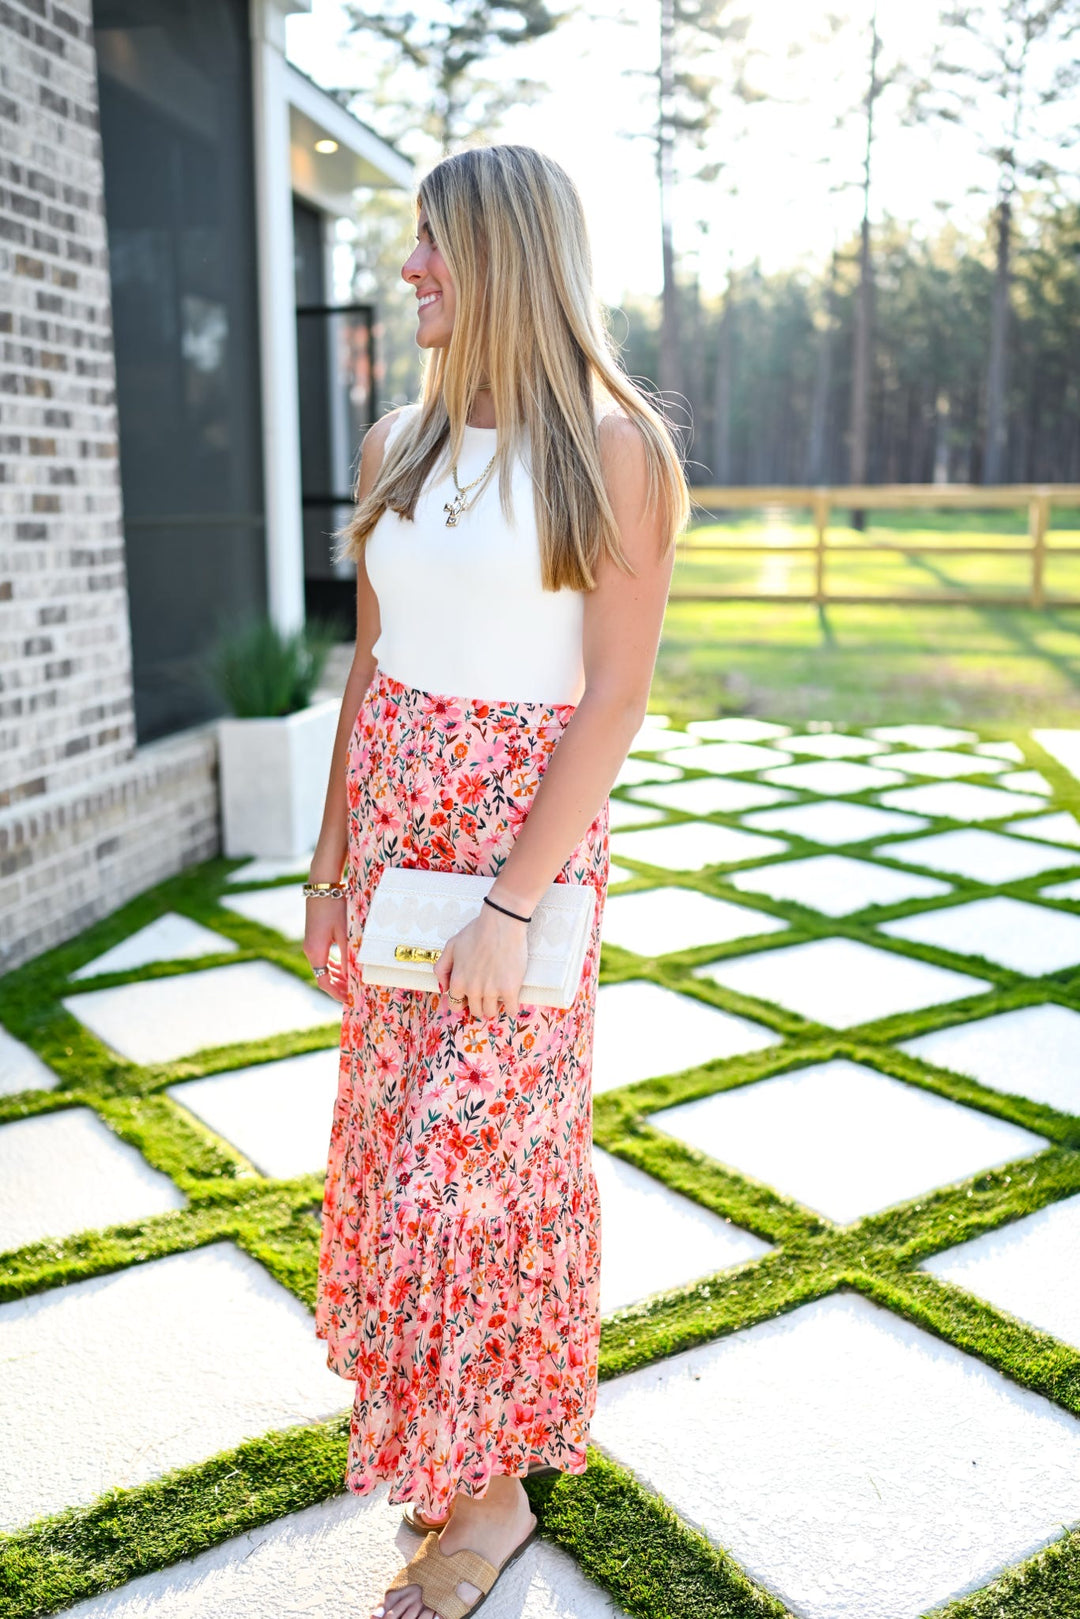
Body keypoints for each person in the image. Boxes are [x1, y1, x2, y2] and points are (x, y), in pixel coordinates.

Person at [303, 143, 687, 1619]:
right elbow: (375, 664)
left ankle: (498, 1495)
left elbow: (613, 700)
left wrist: (511, 905)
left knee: (488, 1184)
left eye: (433, 248)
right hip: (395, 861)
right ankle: (447, 1454)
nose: (409, 273)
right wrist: (334, 865)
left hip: (518, 868)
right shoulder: (396, 437)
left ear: (509, 258)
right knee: (404, 1177)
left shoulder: (616, 447)